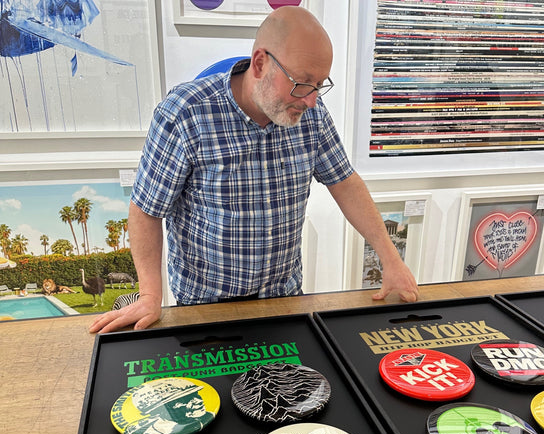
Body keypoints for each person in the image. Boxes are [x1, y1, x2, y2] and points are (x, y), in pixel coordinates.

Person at [89, 6, 418, 334]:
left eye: (319, 85)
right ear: (260, 63)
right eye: (302, 83)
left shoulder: (312, 116)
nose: (312, 101)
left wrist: (391, 259)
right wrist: (150, 294)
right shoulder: (186, 113)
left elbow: (344, 182)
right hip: (206, 307)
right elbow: (146, 209)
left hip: (284, 299)